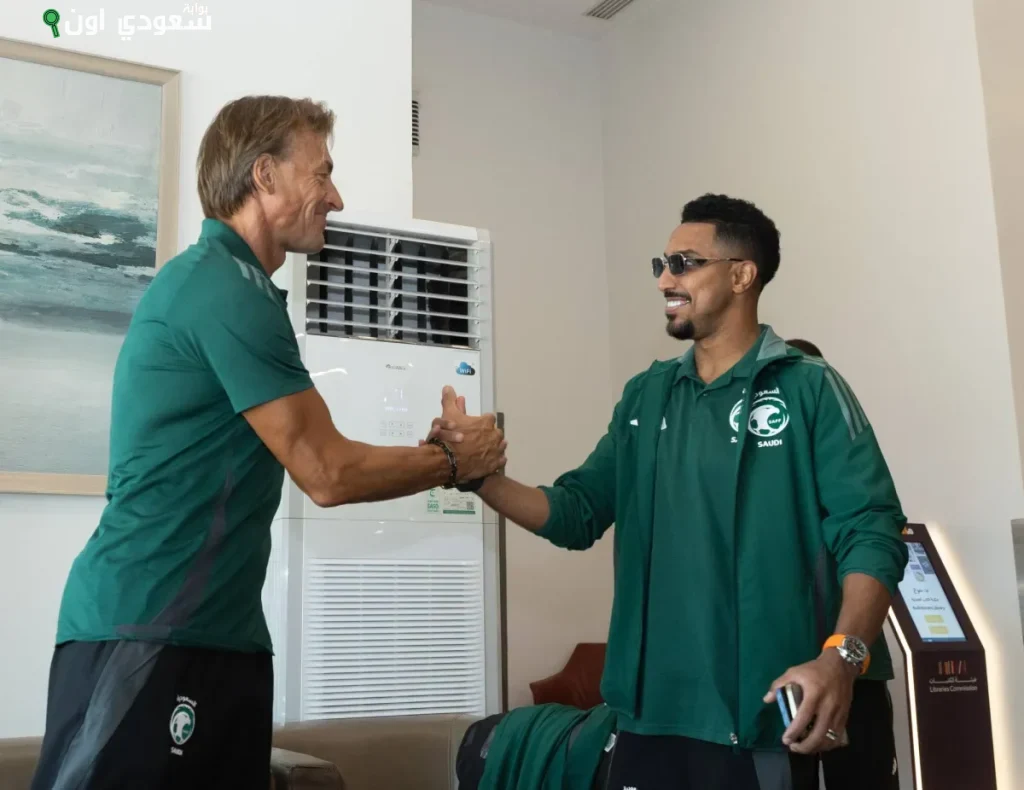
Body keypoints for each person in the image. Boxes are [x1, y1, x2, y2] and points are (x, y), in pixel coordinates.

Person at [30, 96, 505, 790]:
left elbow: (322, 456)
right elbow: (327, 471)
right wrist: (455, 461)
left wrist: (446, 460)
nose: (336, 198)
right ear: (264, 175)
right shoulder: (220, 288)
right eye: (323, 173)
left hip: (221, 637)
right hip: (149, 629)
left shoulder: (242, 289)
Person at [440, 194, 909, 790]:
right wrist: (479, 478)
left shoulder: (809, 387)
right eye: (661, 264)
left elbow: (871, 532)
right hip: (653, 718)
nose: (665, 279)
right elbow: (576, 512)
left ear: (741, 275)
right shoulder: (647, 395)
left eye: (684, 263)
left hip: (778, 715)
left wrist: (841, 657)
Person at [784, 337, 901, 790]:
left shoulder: (850, 474)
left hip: (856, 670)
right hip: (786, 675)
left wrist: (845, 656)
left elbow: (876, 536)